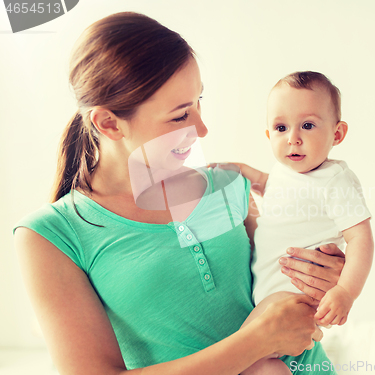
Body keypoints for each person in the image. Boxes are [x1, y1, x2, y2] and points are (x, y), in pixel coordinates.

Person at [12, 13, 346, 375]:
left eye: (199, 101)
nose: (201, 128)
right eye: (178, 116)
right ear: (109, 123)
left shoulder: (228, 185)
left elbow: (283, 293)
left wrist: (323, 278)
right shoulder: (51, 236)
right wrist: (257, 342)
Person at [234, 72, 374, 374]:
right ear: (269, 135)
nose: (293, 138)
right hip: (268, 297)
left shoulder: (336, 180)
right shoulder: (285, 173)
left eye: (307, 125)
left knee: (241, 355)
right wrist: (242, 171)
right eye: (281, 127)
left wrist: (346, 292)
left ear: (337, 134)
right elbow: (273, 188)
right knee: (261, 364)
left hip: (293, 298)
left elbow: (361, 238)